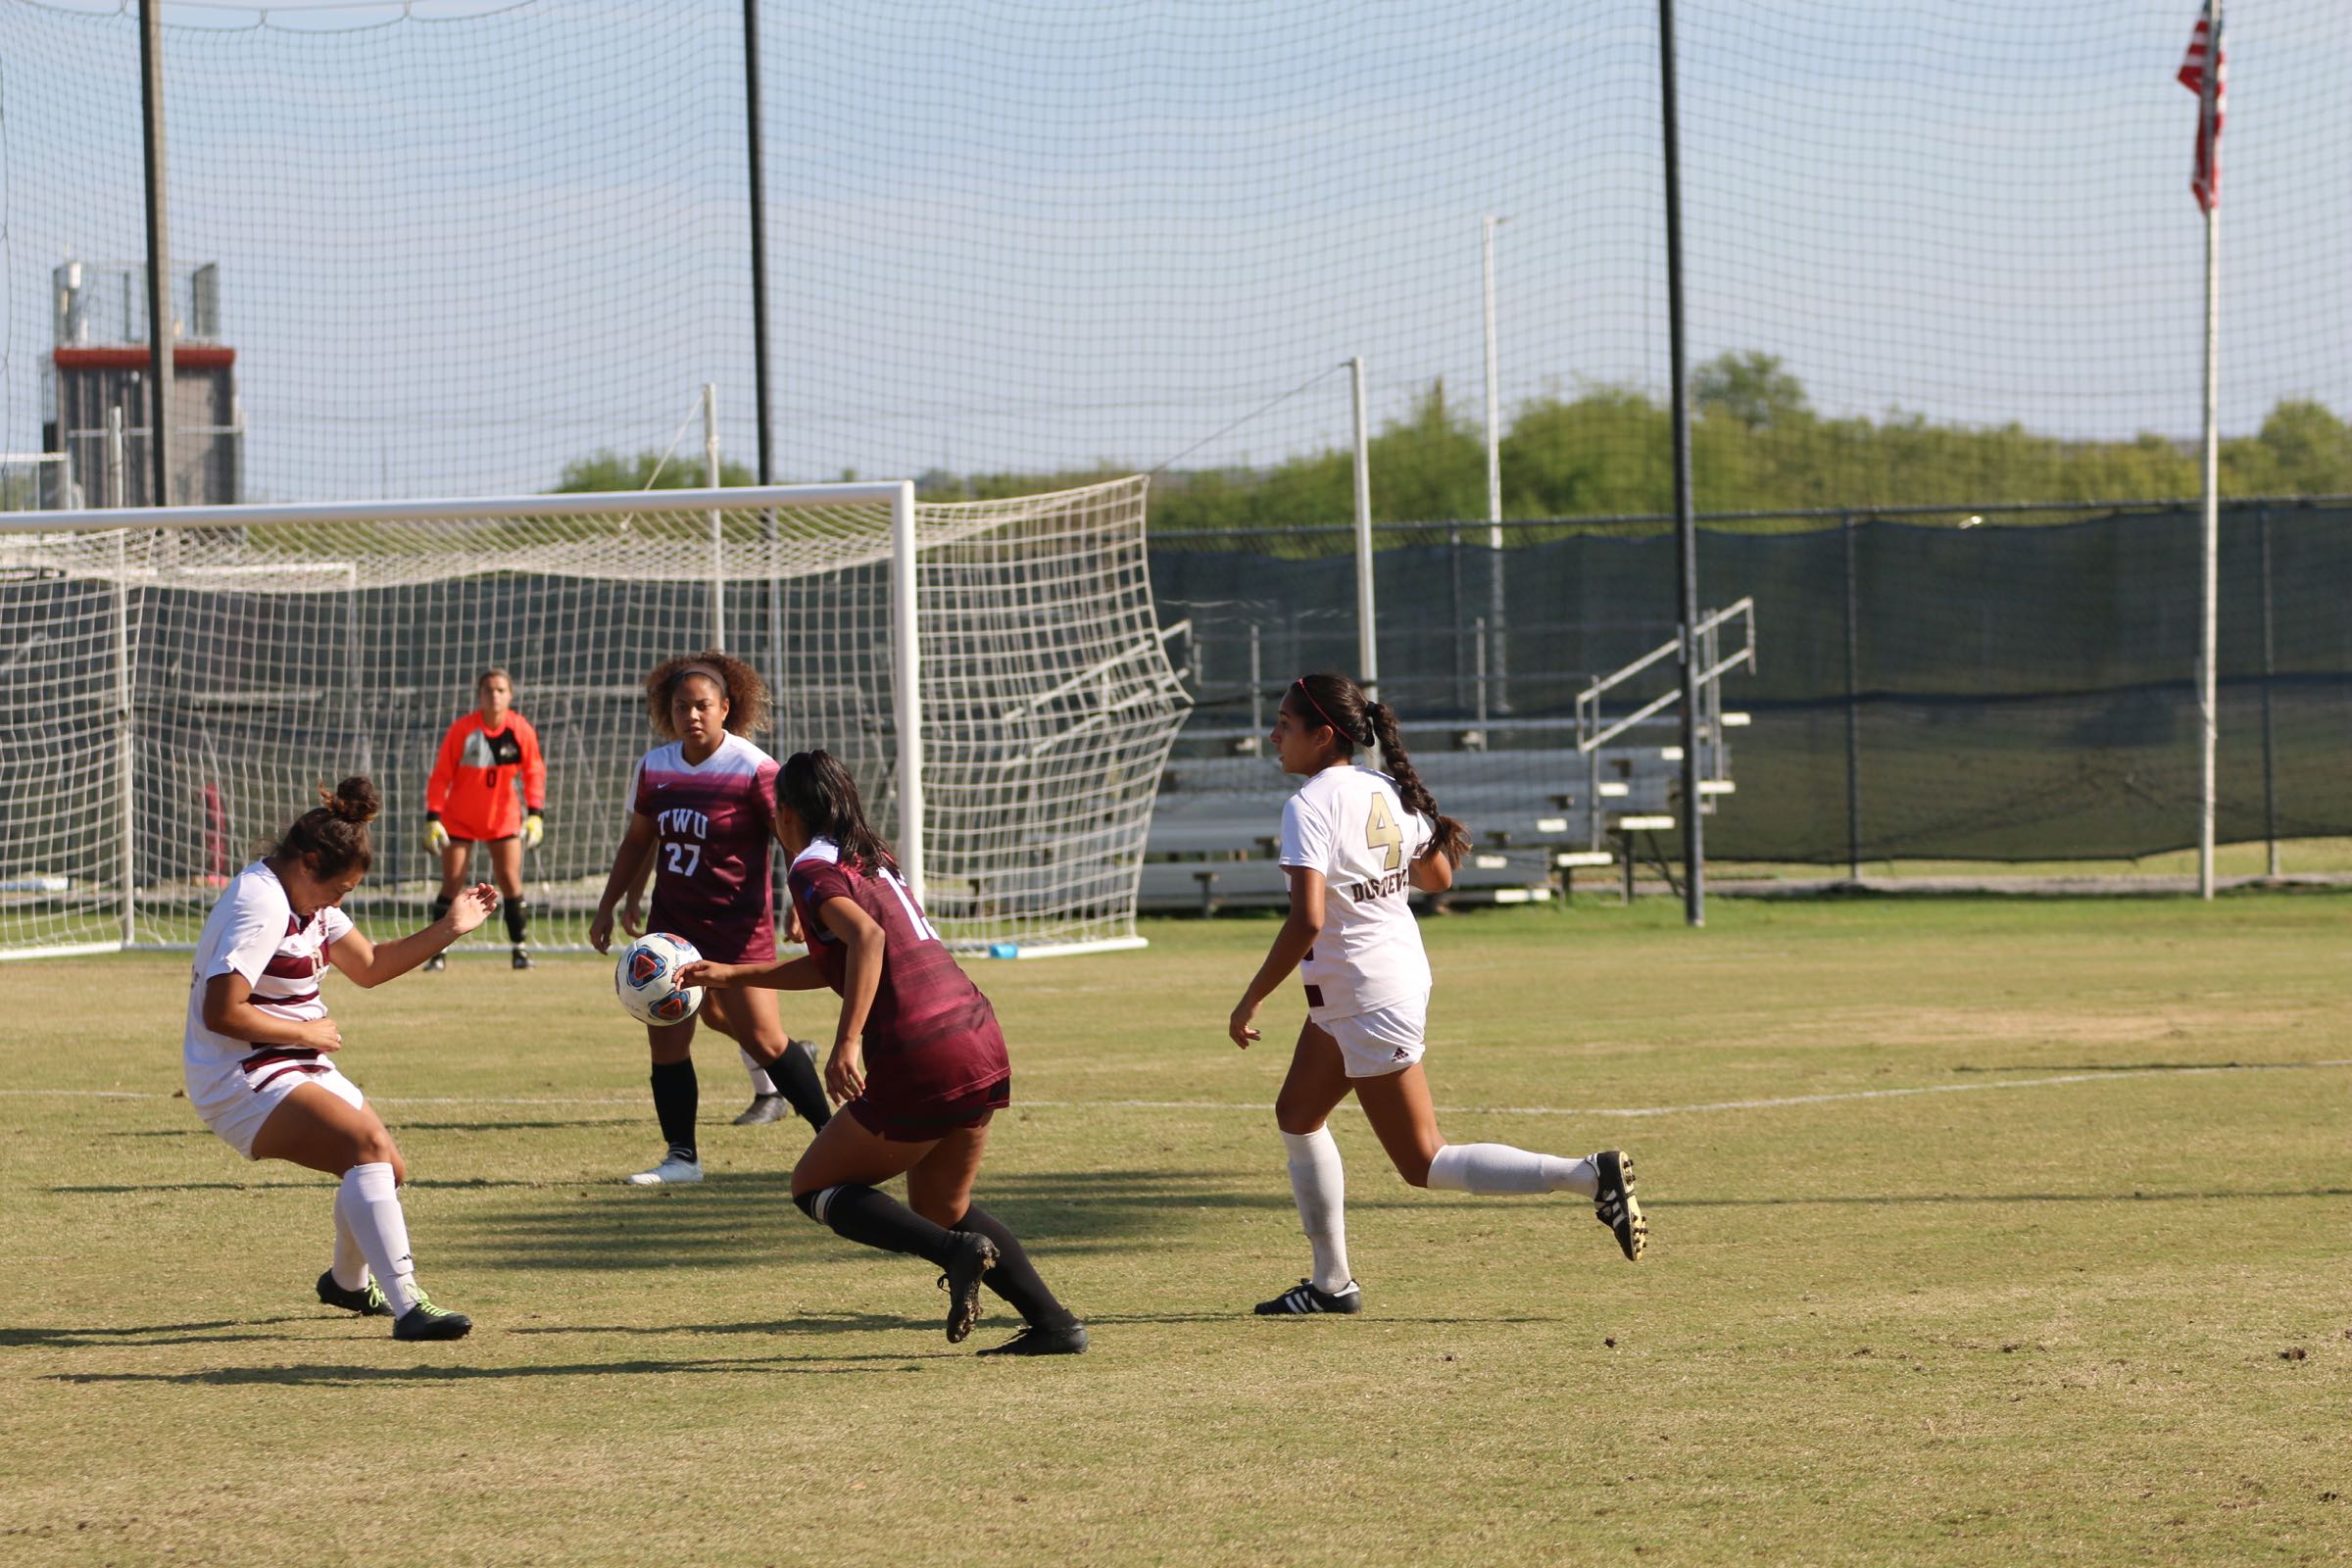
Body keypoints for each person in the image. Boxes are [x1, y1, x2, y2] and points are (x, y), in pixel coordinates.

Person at [1226, 673, 1646, 1317]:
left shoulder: (1309, 805)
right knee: (1297, 1115)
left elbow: (1307, 919)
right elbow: (1438, 876)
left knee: (1423, 1161)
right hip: (1370, 983)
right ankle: (1331, 1283)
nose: (1274, 735)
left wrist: (1251, 997)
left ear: (1324, 736)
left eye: (1285, 723)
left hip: (1364, 994)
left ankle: (1588, 1175)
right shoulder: (1381, 787)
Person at [680, 749, 1088, 1356]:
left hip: (920, 1048)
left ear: (785, 813)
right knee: (940, 1204)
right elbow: (843, 961)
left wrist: (846, 1043)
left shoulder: (812, 871)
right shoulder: (871, 858)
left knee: (812, 1185)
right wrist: (732, 976)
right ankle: (1054, 1324)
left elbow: (866, 940)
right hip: (976, 1033)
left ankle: (954, 1253)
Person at [182, 776, 489, 1342]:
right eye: (338, 889)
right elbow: (220, 1012)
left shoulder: (307, 896)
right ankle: (409, 1307)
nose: (338, 902)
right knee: (365, 1150)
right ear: (309, 862)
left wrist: (450, 926)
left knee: (385, 1169)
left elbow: (370, 965)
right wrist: (306, 1033)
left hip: (285, 1058)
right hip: (236, 1074)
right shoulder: (260, 903)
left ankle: (347, 1284)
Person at [588, 652, 830, 1185]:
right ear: (666, 711)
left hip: (737, 927)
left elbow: (791, 841)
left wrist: (803, 905)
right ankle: (682, 1158)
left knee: (765, 1040)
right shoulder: (654, 767)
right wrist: (612, 904)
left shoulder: (755, 768)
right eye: (681, 707)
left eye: (702, 706)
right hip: (671, 930)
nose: (691, 715)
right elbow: (638, 842)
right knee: (667, 1040)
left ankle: (832, 1137)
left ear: (726, 707)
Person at [421, 666, 545, 970]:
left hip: (503, 819)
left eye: (501, 690)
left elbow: (534, 773)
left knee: (510, 881)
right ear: (479, 695)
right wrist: (433, 817)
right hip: (459, 819)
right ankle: (437, 954)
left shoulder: (520, 729)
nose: (494, 695)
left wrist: (535, 815)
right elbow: (441, 776)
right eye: (488, 690)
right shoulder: (463, 730)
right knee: (452, 882)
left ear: (510, 695)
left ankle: (520, 950)